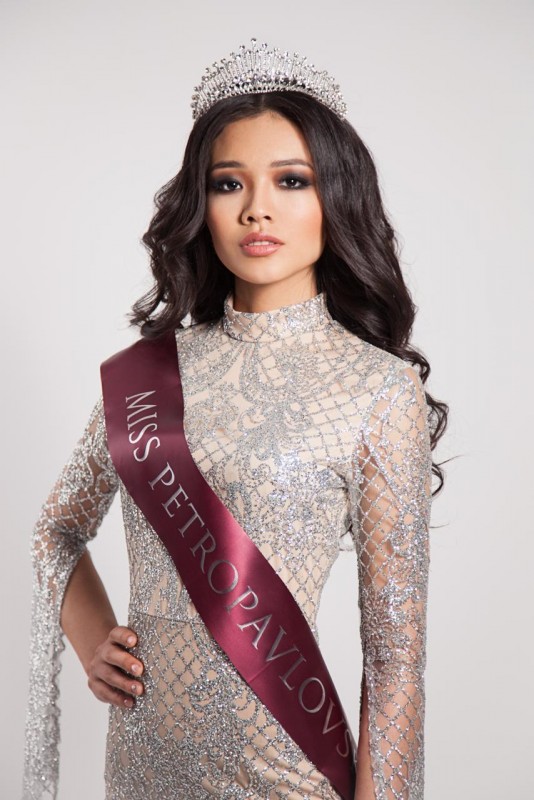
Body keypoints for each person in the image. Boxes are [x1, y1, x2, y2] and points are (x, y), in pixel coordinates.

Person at [22, 38, 448, 800]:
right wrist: (91, 640)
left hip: (287, 771)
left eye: (291, 179)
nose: (257, 208)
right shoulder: (149, 375)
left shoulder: (380, 391)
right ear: (202, 204)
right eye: (228, 183)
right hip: (141, 770)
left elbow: (394, 662)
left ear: (336, 196)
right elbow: (56, 530)